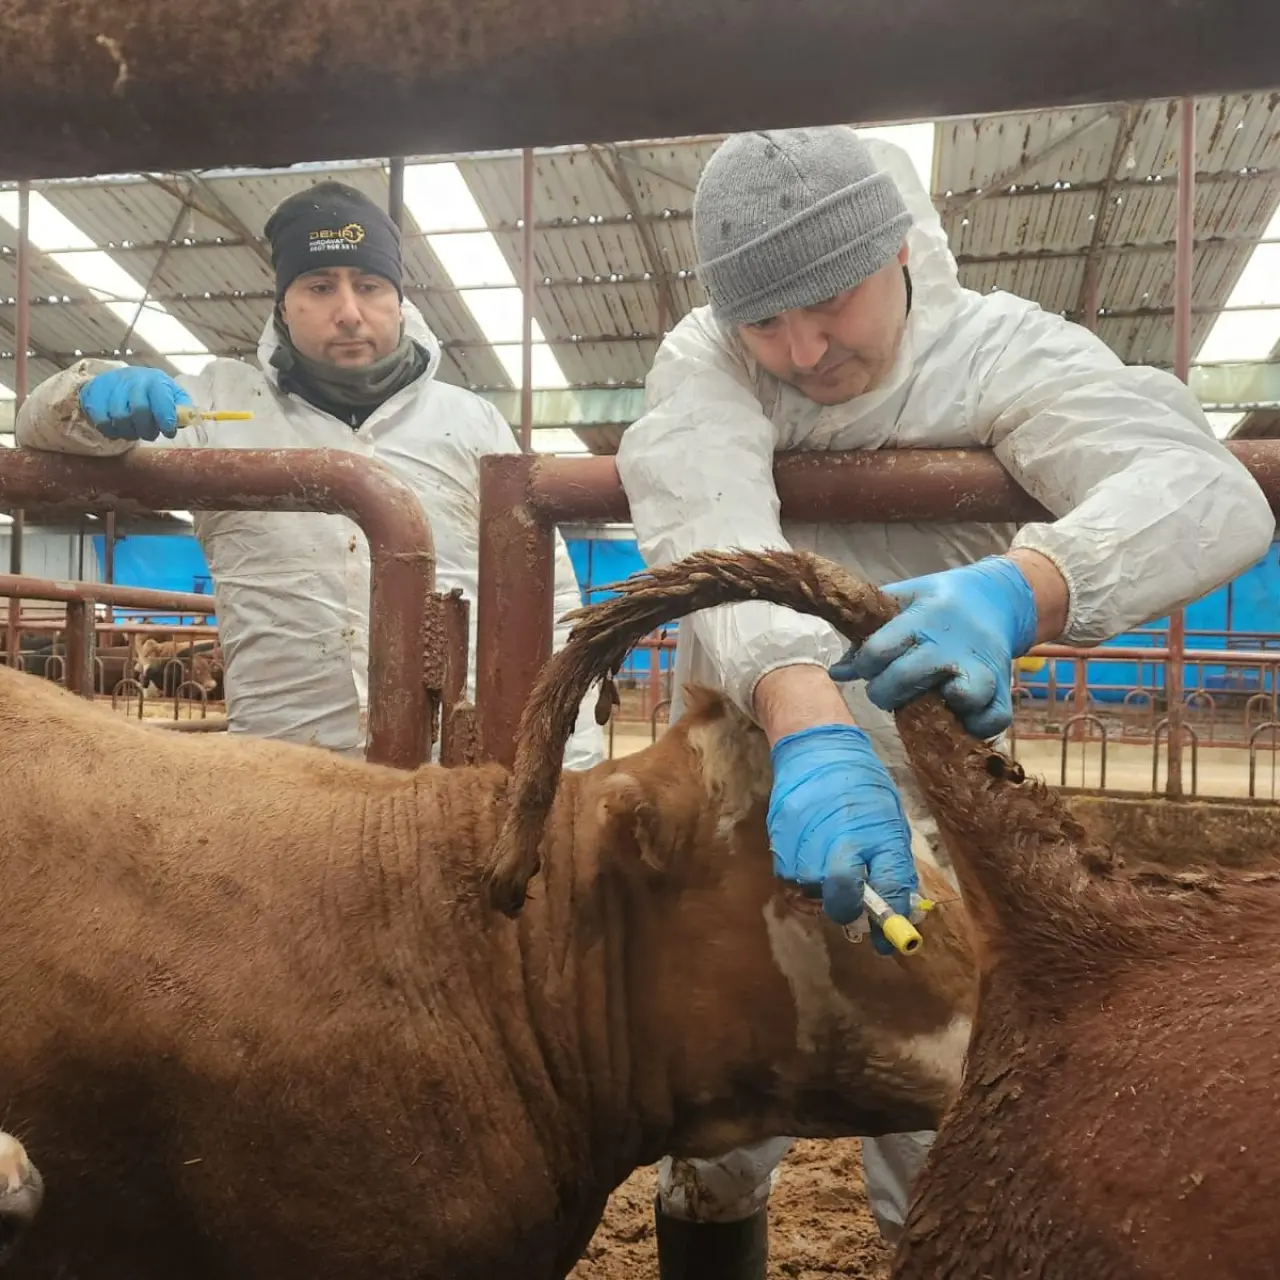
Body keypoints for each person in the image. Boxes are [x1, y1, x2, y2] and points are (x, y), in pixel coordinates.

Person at [617, 126, 1275, 1279]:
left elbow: (1200, 489)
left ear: (893, 253)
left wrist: (1024, 586)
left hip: (935, 809)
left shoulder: (994, 347)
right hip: (753, 785)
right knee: (720, 1113)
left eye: (830, 301)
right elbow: (709, 514)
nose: (800, 348)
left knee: (939, 1115)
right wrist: (808, 723)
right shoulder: (706, 357)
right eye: (762, 320)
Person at [16, 181, 604, 768]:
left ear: (399, 302)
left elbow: (547, 599)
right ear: (283, 306)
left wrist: (573, 761)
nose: (348, 312)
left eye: (369, 286)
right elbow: (37, 433)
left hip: (447, 773)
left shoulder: (470, 422)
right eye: (320, 287)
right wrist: (82, 399)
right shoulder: (218, 406)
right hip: (284, 776)